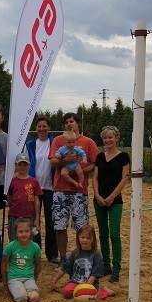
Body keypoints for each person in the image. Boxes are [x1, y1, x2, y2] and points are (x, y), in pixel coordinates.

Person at [49, 112, 99, 269]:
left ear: (78, 123)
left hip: (80, 190)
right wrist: (65, 161)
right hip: (60, 188)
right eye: (66, 122)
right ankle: (63, 258)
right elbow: (53, 162)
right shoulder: (58, 140)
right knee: (59, 225)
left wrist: (79, 171)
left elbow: (94, 163)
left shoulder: (88, 142)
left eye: (71, 121)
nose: (69, 124)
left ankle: (82, 256)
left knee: (82, 226)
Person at [92, 126, 130, 283]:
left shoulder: (123, 157)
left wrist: (113, 196)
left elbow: (125, 178)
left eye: (110, 137)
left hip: (115, 201)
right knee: (102, 234)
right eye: (105, 138)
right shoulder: (100, 157)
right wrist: (97, 195)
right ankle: (106, 265)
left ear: (116, 138)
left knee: (114, 235)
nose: (108, 140)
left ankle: (116, 268)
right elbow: (94, 178)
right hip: (99, 200)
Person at [25, 116, 58, 264]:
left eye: (44, 126)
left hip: (51, 187)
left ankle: (52, 254)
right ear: (36, 128)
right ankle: (35, 251)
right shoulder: (31, 144)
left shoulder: (55, 143)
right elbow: (24, 163)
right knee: (34, 221)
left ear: (48, 127)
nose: (41, 128)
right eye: (39, 126)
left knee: (51, 221)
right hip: (34, 188)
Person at [51, 225, 116, 300]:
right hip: (75, 281)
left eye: (88, 238)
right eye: (83, 237)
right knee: (67, 292)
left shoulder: (96, 255)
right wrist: (55, 279)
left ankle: (105, 291)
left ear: (93, 240)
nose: (85, 240)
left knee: (88, 296)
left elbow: (94, 275)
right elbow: (65, 268)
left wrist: (86, 286)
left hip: (90, 283)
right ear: (78, 238)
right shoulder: (76, 252)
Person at [1, 218, 42, 302]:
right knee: (22, 298)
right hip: (14, 278)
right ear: (16, 233)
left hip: (29, 278)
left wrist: (34, 279)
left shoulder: (35, 247)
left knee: (34, 297)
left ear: (31, 232)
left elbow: (38, 265)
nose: (24, 234)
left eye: (27, 231)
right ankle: (16, 290)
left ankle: (24, 289)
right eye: (20, 231)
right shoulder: (10, 247)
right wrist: (5, 284)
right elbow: (4, 265)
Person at [6, 153, 42, 244]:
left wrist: (37, 219)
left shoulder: (34, 181)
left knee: (29, 239)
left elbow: (37, 200)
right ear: (16, 165)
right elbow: (9, 196)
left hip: (29, 215)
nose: (22, 167)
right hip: (14, 215)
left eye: (25, 165)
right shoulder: (12, 181)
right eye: (20, 165)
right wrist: (13, 206)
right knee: (14, 238)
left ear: (29, 165)